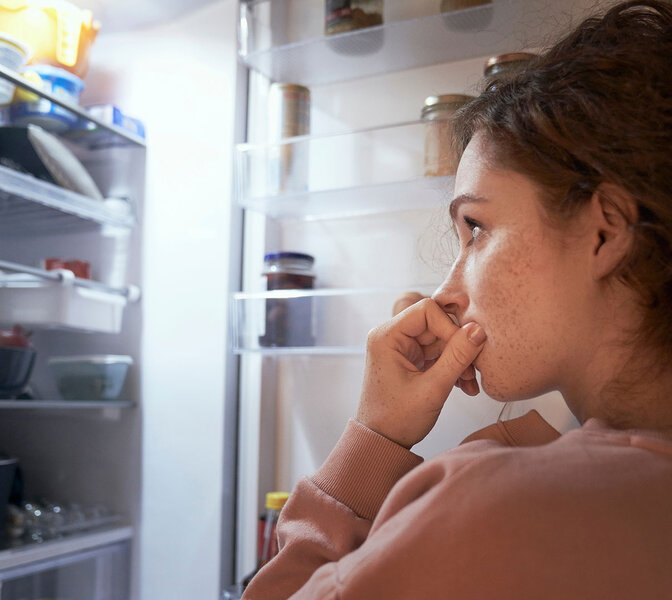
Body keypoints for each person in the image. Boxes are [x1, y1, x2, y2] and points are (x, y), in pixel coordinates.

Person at [242, 1, 672, 598]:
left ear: (605, 231)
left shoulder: (491, 505)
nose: (445, 294)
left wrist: (376, 436)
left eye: (476, 228)